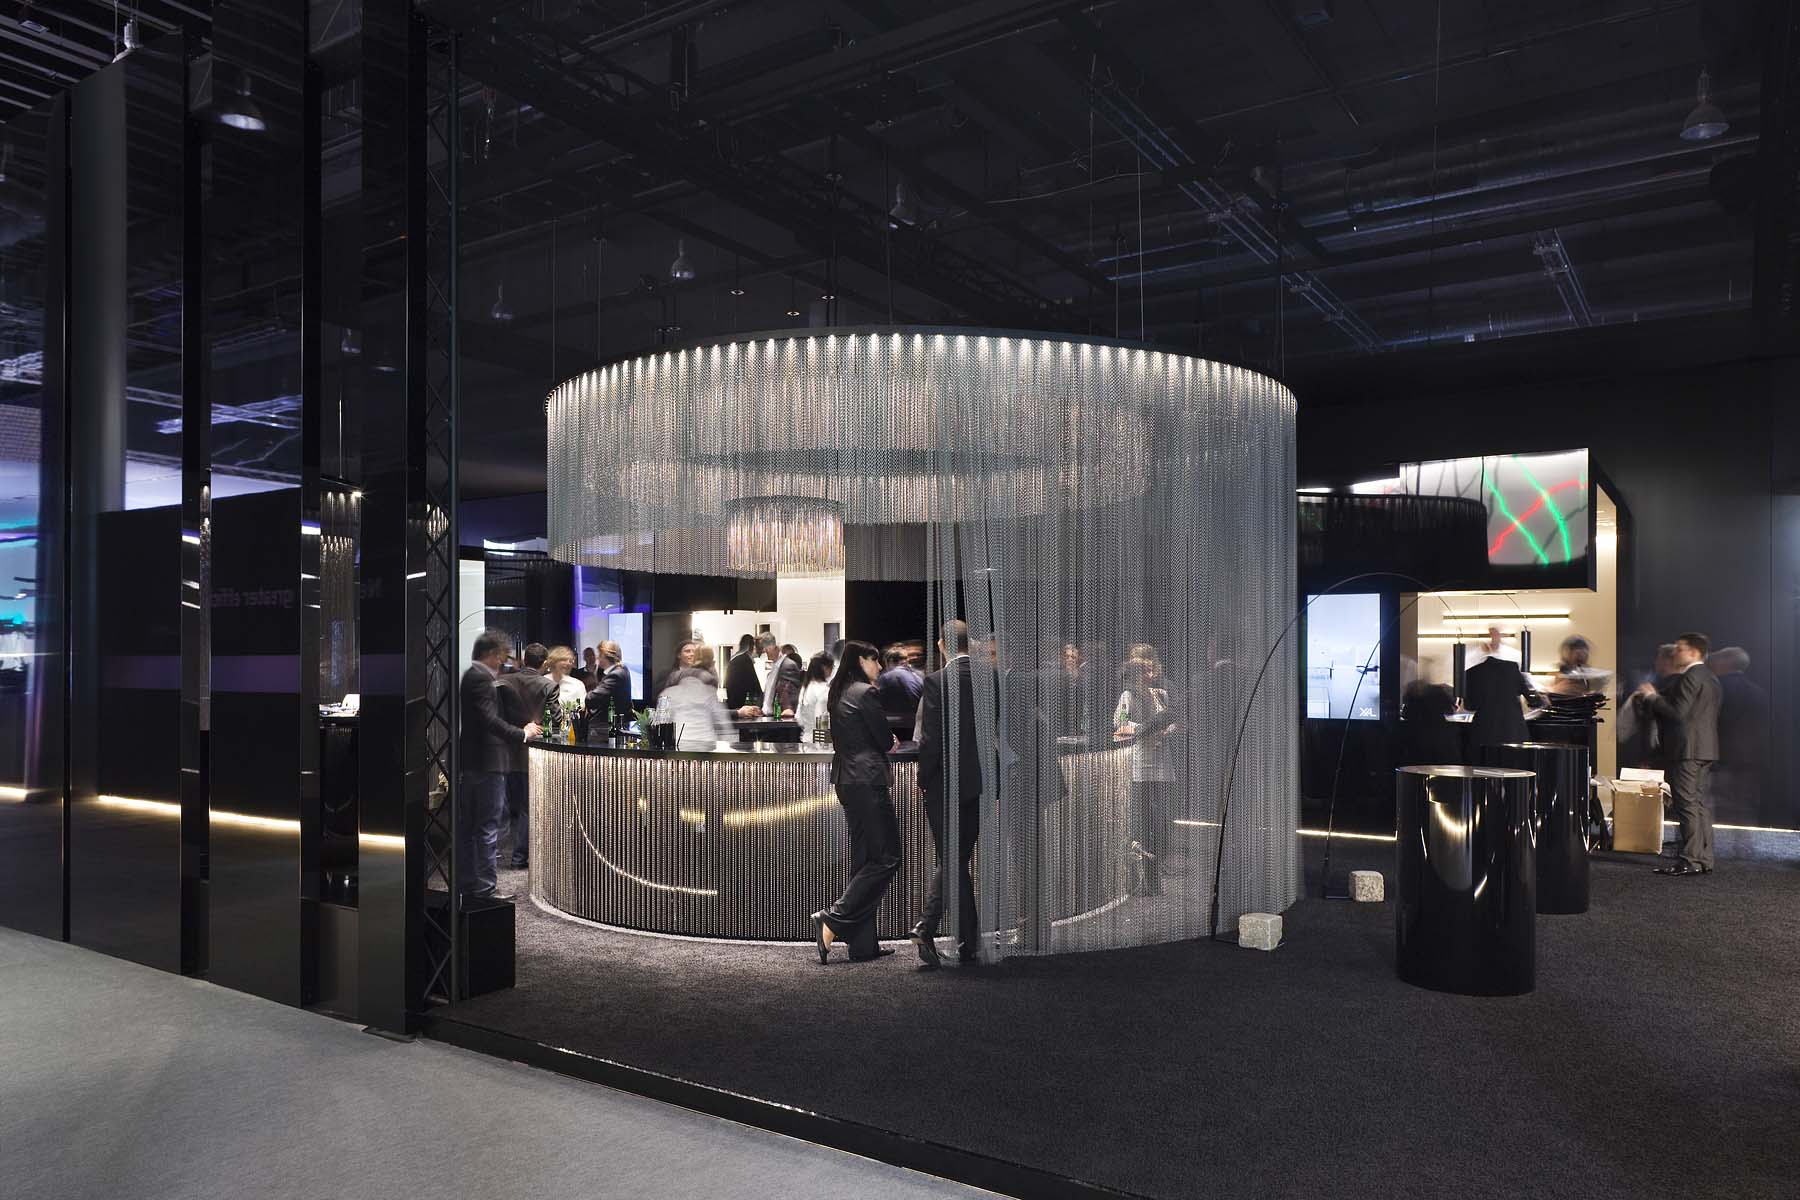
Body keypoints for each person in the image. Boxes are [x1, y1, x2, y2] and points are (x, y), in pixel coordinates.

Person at [811, 640, 900, 963]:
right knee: (888, 857)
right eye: (875, 660)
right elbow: (884, 740)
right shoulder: (865, 692)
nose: (880, 666)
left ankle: (863, 946)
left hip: (847, 782)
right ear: (861, 660)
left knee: (864, 860)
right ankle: (832, 918)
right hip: (867, 781)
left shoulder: (839, 693)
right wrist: (891, 741)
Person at [911, 619, 985, 968]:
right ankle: (970, 942)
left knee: (952, 859)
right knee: (957, 860)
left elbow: (931, 739)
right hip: (977, 783)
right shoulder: (989, 680)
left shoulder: (937, 681)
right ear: (970, 644)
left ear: (942, 646)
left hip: (944, 783)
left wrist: (923, 777)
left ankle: (926, 927)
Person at [461, 629, 541, 899]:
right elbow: (489, 720)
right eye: (501, 656)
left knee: (472, 829)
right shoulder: (481, 678)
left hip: (474, 762)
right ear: (490, 654)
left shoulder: (471, 676)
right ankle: (485, 888)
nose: (502, 662)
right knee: (486, 828)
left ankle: (470, 885)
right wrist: (522, 733)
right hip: (487, 764)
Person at [1636, 632, 1723, 877]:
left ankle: (1690, 859)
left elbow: (1678, 713)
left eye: (1680, 648)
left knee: (1686, 804)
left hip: (1687, 750)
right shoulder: (1710, 677)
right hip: (1704, 749)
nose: (1675, 652)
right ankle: (1703, 858)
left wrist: (1652, 697)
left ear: (1694, 652)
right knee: (1698, 804)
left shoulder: (1690, 676)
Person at [1114, 646, 1179, 897]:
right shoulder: (1127, 696)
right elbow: (1119, 725)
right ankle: (1143, 877)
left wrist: (1166, 730)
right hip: (1141, 764)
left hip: (1162, 762)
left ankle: (1155, 871)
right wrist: (1146, 728)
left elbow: (1174, 723)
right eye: (1144, 670)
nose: (1149, 674)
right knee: (1143, 821)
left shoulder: (1160, 694)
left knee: (1161, 819)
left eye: (1151, 669)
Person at [494, 642, 556, 871]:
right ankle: (520, 858)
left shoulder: (503, 681)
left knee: (504, 806)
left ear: (523, 660)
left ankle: (495, 853)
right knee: (527, 808)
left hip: (504, 750)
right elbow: (554, 721)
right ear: (545, 663)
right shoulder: (548, 686)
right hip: (533, 752)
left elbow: (495, 715)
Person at [1461, 650, 1545, 751]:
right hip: (1513, 731)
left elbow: (1470, 706)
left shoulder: (1471, 672)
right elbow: (1534, 700)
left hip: (1484, 731)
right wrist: (1542, 698)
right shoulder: (1512, 667)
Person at [658, 645, 735, 747]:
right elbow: (724, 722)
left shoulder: (666, 694)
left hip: (680, 744)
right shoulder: (709, 692)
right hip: (707, 744)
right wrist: (730, 746)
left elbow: (660, 725)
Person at [1398, 679, 1463, 766]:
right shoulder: (1439, 694)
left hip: (1417, 757)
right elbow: (1450, 711)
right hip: (1442, 754)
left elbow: (1405, 714)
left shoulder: (1410, 728)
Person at [738, 633, 801, 720]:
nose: (762, 653)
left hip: (780, 718)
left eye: (763, 650)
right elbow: (769, 695)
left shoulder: (788, 665)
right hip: (767, 717)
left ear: (769, 648)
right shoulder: (774, 669)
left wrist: (788, 709)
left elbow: (791, 692)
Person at [586, 639, 633, 735]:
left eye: (599, 654)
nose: (597, 658)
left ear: (605, 655)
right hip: (613, 727)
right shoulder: (622, 670)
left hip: (607, 729)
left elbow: (591, 699)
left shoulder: (615, 675)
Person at [545, 645, 587, 733]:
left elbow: (582, 708)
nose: (568, 663)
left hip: (571, 731)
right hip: (546, 730)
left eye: (571, 661)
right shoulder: (543, 682)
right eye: (564, 660)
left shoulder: (577, 684)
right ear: (554, 661)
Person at [876, 645, 924, 723]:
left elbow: (878, 702)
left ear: (890, 661)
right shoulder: (919, 675)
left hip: (898, 723)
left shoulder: (888, 677)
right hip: (918, 720)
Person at [795, 652, 835, 741]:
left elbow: (798, 717)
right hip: (821, 742)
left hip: (806, 738)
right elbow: (822, 721)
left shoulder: (806, 687)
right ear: (825, 668)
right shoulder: (824, 690)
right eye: (832, 667)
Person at [723, 633, 761, 710]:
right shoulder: (745, 659)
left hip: (732, 702)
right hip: (741, 704)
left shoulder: (734, 658)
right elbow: (754, 684)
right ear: (752, 647)